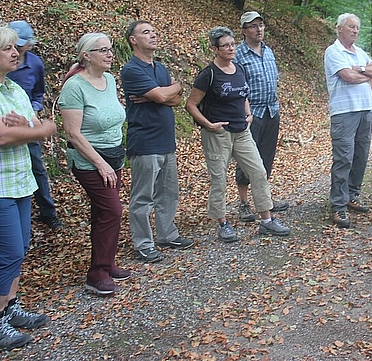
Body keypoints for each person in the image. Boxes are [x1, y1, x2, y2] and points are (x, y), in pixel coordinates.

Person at [0, 24, 58, 350]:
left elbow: (51, 126)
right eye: (7, 49)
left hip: (19, 183)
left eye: (16, 48)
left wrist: (34, 128)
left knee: (19, 250)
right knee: (7, 254)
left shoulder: (13, 89)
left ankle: (9, 306)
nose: (16, 53)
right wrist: (34, 129)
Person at [185, 27, 291, 243]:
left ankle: (267, 220)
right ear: (214, 49)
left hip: (242, 131)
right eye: (225, 45)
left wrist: (248, 113)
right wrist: (208, 124)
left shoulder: (239, 68)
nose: (231, 48)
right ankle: (223, 223)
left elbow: (243, 93)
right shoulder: (208, 74)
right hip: (218, 134)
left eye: (232, 44)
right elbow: (191, 104)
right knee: (219, 179)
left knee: (259, 172)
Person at [58, 33, 130, 296]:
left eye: (110, 49)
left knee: (103, 213)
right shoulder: (74, 86)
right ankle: (96, 273)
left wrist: (111, 159)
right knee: (112, 210)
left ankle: (107, 263)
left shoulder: (109, 80)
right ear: (86, 55)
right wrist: (100, 164)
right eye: (103, 50)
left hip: (114, 155)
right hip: (89, 160)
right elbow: (73, 133)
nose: (110, 54)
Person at [122, 20, 194, 263]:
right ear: (133, 40)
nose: (153, 35)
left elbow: (175, 100)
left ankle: (167, 234)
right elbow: (166, 95)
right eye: (146, 32)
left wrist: (166, 92)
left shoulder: (160, 68)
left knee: (168, 192)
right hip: (144, 141)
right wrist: (167, 91)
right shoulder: (131, 69)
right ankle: (143, 243)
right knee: (143, 196)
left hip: (166, 140)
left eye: (154, 31)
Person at [324, 13, 372, 228]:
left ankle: (352, 195)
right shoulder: (333, 51)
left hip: (365, 110)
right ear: (339, 28)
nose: (355, 31)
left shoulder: (359, 52)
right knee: (344, 158)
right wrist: (365, 73)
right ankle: (338, 205)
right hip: (344, 112)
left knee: (361, 156)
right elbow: (347, 77)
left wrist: (361, 70)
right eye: (351, 27)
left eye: (357, 27)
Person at [7, 20, 63, 230]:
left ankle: (48, 212)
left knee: (36, 167)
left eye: (24, 43)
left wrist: (34, 111)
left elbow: (38, 91)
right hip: (2, 121)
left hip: (28, 123)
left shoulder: (35, 63)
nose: (20, 48)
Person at [233, 11, 289, 223]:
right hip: (251, 114)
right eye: (253, 26)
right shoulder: (238, 54)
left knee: (266, 157)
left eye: (261, 25)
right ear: (245, 30)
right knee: (247, 159)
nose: (259, 29)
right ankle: (244, 203)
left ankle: (264, 200)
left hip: (271, 111)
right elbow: (237, 86)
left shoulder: (268, 51)